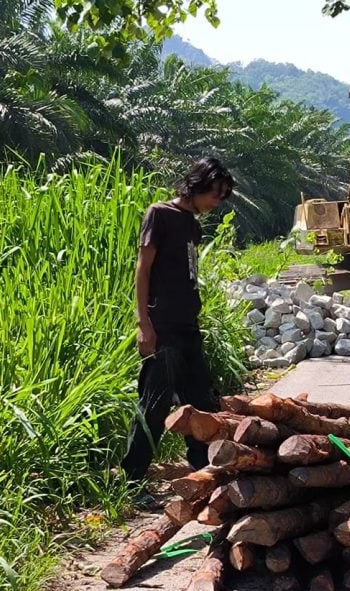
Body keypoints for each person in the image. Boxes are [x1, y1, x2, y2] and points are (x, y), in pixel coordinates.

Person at [121, 157, 234, 508]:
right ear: (198, 185)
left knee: (202, 402)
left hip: (187, 326)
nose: (217, 203)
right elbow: (142, 270)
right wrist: (144, 324)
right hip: (163, 326)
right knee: (153, 405)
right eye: (215, 195)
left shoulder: (190, 224)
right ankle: (132, 481)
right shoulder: (160, 214)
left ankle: (202, 470)